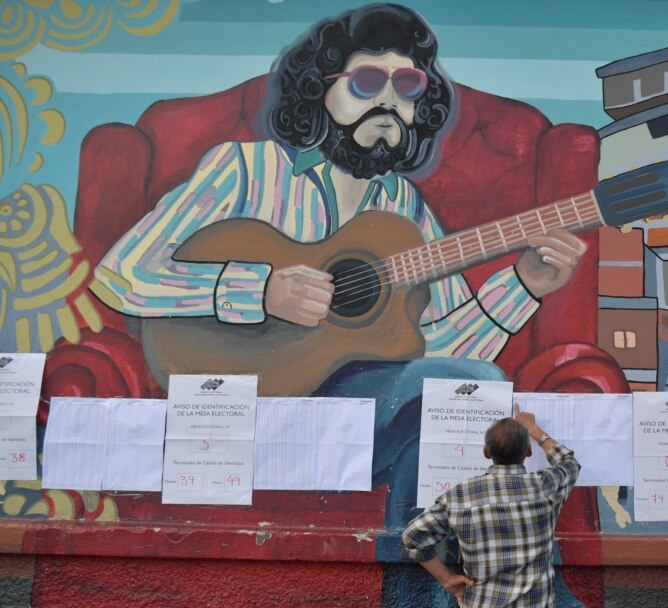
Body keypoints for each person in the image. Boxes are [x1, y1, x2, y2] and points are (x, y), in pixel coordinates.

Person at [89, 3, 586, 530]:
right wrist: (256, 291)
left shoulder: (405, 207)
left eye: (409, 85)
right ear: (318, 89)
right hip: (240, 406)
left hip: (355, 415)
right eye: (368, 80)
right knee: (465, 394)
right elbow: (122, 273)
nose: (390, 99)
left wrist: (524, 285)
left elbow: (437, 347)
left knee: (461, 398)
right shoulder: (245, 169)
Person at [402, 406, 580, 607]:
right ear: (528, 451)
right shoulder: (546, 487)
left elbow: (413, 537)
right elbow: (569, 462)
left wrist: (447, 580)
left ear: (486, 452)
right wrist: (534, 430)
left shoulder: (459, 497)